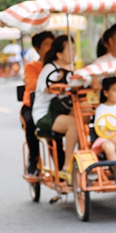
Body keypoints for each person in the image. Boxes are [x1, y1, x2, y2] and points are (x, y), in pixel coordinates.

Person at [32, 35, 79, 182]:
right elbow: (47, 88)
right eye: (70, 49)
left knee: (84, 116)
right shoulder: (50, 69)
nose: (74, 52)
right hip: (45, 113)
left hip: (63, 110)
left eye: (74, 48)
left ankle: (86, 156)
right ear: (59, 54)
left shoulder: (73, 69)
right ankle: (67, 166)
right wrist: (58, 82)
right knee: (74, 124)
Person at [20, 31, 55, 175]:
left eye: (52, 44)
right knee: (30, 123)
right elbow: (33, 84)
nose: (50, 47)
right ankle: (34, 158)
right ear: (37, 48)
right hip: (32, 105)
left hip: (52, 105)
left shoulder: (57, 65)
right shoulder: (31, 67)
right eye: (46, 44)